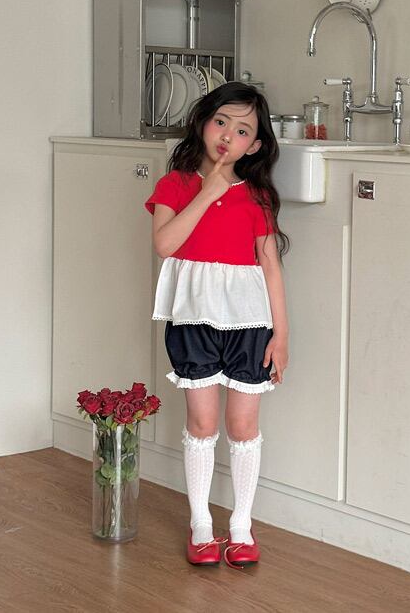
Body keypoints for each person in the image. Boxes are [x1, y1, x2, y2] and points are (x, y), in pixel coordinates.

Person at [145, 81, 289, 568]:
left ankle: (242, 527)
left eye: (243, 130)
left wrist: (282, 335)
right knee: (202, 423)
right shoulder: (176, 184)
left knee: (242, 426)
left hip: (250, 322)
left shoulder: (259, 196)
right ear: (203, 123)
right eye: (221, 121)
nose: (228, 135)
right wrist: (208, 193)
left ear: (256, 145)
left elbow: (271, 267)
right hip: (193, 319)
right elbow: (164, 244)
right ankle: (201, 526)